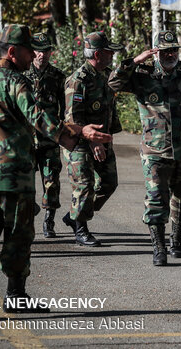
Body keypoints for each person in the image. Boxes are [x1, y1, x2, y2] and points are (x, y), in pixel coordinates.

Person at [0, 24, 112, 320]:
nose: (33, 56)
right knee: (18, 235)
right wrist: (81, 133)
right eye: (29, 51)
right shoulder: (16, 82)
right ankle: (15, 296)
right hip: (13, 175)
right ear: (13, 52)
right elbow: (42, 120)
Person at [108, 30, 181, 266]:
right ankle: (158, 248)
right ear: (155, 53)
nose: (170, 55)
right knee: (156, 199)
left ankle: (176, 240)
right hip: (155, 151)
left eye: (174, 50)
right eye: (165, 51)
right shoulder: (142, 76)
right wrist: (135, 61)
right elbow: (113, 83)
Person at [63, 31, 125, 247]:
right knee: (85, 184)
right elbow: (72, 120)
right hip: (79, 143)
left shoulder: (105, 75)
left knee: (109, 183)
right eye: (109, 52)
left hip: (103, 140)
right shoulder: (78, 80)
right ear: (98, 54)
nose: (112, 56)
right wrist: (92, 141)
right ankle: (81, 228)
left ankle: (74, 215)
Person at [23, 33, 66, 238]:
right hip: (26, 141)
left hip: (50, 139)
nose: (42, 55)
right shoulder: (21, 76)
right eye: (39, 51)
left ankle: (49, 221)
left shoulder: (58, 77)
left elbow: (66, 109)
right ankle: (28, 218)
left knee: (51, 182)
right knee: (25, 184)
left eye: (46, 50)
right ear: (32, 53)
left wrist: (66, 134)